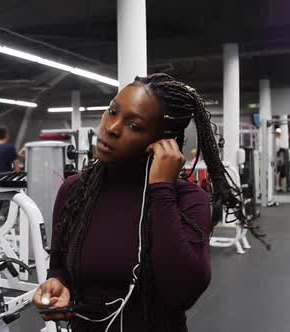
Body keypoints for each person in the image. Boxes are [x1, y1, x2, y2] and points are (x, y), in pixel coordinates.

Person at [33, 74, 250, 332]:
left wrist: (161, 190)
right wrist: (57, 284)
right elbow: (58, 266)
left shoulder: (187, 200)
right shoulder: (75, 191)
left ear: (161, 141)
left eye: (134, 126)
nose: (112, 127)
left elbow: (183, 292)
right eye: (112, 111)